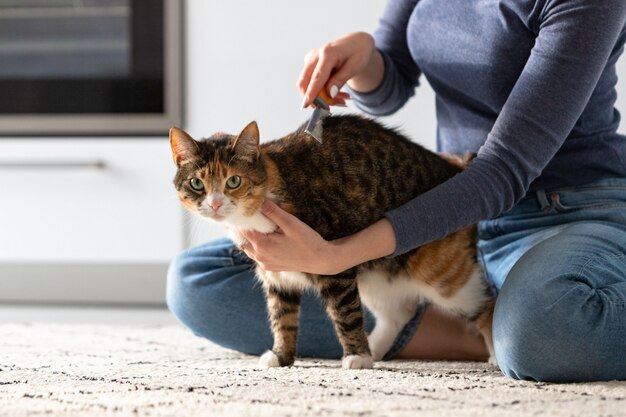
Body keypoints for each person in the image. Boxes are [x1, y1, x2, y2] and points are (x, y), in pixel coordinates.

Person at [167, 0, 626, 382]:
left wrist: (335, 256)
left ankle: (507, 325)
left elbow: (504, 171)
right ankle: (467, 324)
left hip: (562, 209)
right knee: (197, 284)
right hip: (446, 205)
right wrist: (364, 58)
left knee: (548, 334)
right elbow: (390, 86)